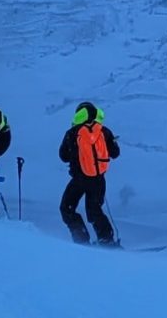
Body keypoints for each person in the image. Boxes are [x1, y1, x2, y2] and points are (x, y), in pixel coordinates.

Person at [57, 101, 121, 246]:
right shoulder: (104, 131)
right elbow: (115, 153)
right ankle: (107, 241)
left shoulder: (72, 133)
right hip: (98, 179)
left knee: (67, 208)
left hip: (79, 179)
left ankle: (81, 241)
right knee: (94, 210)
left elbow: (63, 156)